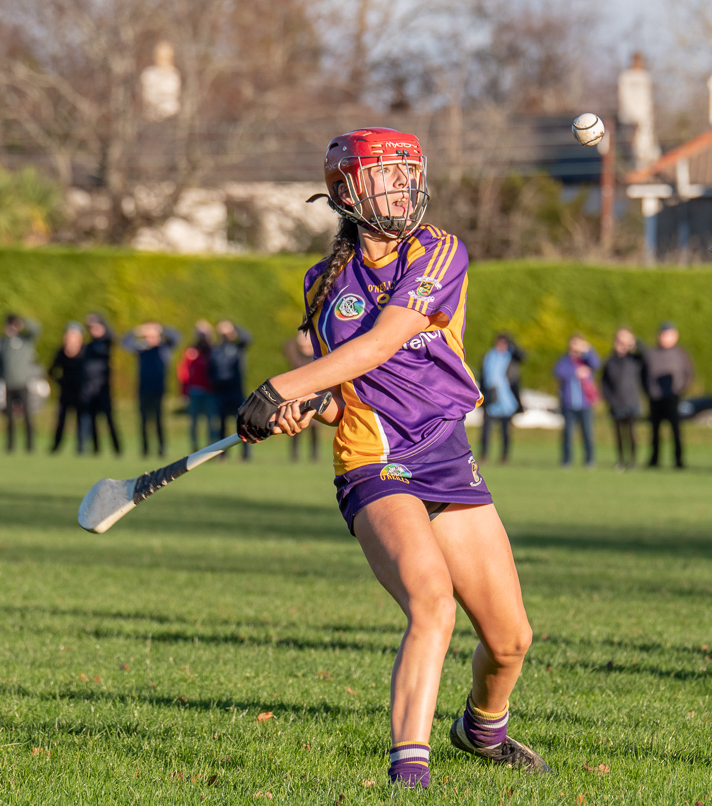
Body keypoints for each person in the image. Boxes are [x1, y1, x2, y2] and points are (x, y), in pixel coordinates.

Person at [233, 127, 549, 787]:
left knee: (511, 639)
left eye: (408, 174)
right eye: (385, 176)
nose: (401, 187)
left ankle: (482, 729)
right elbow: (342, 385)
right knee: (430, 601)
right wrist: (309, 406)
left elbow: (383, 342)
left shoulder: (439, 251)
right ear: (346, 191)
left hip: (444, 454)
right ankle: (410, 775)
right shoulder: (322, 284)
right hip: (373, 460)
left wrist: (280, 390)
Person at [123, 321, 181, 457]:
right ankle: (145, 449)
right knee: (143, 421)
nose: (151, 339)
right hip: (143, 390)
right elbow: (125, 343)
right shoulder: (142, 349)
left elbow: (176, 337)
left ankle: (161, 448)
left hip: (158, 390)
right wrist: (138, 330)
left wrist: (161, 328)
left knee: (158, 420)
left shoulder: (164, 348)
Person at [643, 322, 693, 469]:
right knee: (654, 432)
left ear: (675, 336)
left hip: (673, 398)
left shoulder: (681, 354)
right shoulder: (651, 353)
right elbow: (643, 375)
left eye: (669, 334)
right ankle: (654, 460)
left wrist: (680, 390)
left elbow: (689, 374)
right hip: (655, 398)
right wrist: (648, 391)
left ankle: (678, 460)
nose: (665, 338)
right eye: (663, 334)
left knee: (676, 431)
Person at [553, 333, 601, 467]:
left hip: (585, 404)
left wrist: (588, 350)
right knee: (567, 434)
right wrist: (575, 373)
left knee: (587, 433)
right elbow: (558, 371)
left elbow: (597, 364)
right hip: (569, 404)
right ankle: (566, 460)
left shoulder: (586, 360)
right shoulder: (565, 360)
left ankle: (589, 460)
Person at [0, 313, 42, 453]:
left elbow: (37, 329)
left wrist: (23, 321)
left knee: (27, 416)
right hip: (9, 385)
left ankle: (30, 446)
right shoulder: (4, 342)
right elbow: (0, 363)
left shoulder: (25, 340)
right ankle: (10, 446)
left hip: (23, 384)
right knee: (9, 417)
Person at [601, 327, 644, 471]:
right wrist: (609, 399)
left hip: (631, 402)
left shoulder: (634, 359)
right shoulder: (610, 361)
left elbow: (646, 354)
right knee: (618, 435)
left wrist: (634, 341)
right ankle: (620, 460)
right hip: (616, 403)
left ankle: (633, 460)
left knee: (632, 434)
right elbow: (604, 383)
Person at [478, 333, 524, 464]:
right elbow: (483, 378)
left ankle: (504, 456)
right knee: (486, 430)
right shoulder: (488, 356)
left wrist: (513, 344)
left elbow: (522, 356)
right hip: (491, 397)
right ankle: (484, 455)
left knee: (505, 431)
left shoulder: (511, 357)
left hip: (506, 398)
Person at [79, 313, 121, 455]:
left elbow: (115, 337)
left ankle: (117, 449)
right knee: (92, 421)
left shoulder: (106, 342)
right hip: (89, 389)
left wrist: (101, 321)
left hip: (103, 388)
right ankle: (95, 449)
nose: (93, 330)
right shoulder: (88, 346)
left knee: (109, 420)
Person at [211, 319, 252, 460]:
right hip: (220, 392)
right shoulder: (215, 350)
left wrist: (234, 328)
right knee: (221, 424)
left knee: (242, 422)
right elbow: (210, 369)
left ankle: (246, 453)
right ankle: (222, 455)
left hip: (236, 390)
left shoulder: (238, 347)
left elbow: (248, 337)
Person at [283, 331, 323, 462]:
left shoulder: (317, 355)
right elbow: (288, 347)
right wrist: (299, 339)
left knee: (315, 426)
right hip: (297, 394)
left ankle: (314, 454)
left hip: (314, 394)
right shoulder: (296, 356)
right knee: (295, 423)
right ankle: (294, 454)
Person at [177, 321, 217, 452]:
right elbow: (184, 372)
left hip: (210, 391)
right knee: (194, 422)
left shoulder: (213, 350)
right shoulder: (191, 351)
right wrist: (183, 391)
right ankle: (194, 447)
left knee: (211, 421)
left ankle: (212, 449)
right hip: (194, 391)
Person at [49, 322, 85, 454]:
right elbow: (51, 371)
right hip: (66, 392)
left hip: (81, 392)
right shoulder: (61, 352)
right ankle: (56, 446)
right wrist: (61, 382)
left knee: (81, 420)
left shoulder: (85, 351)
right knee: (61, 421)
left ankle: (81, 448)